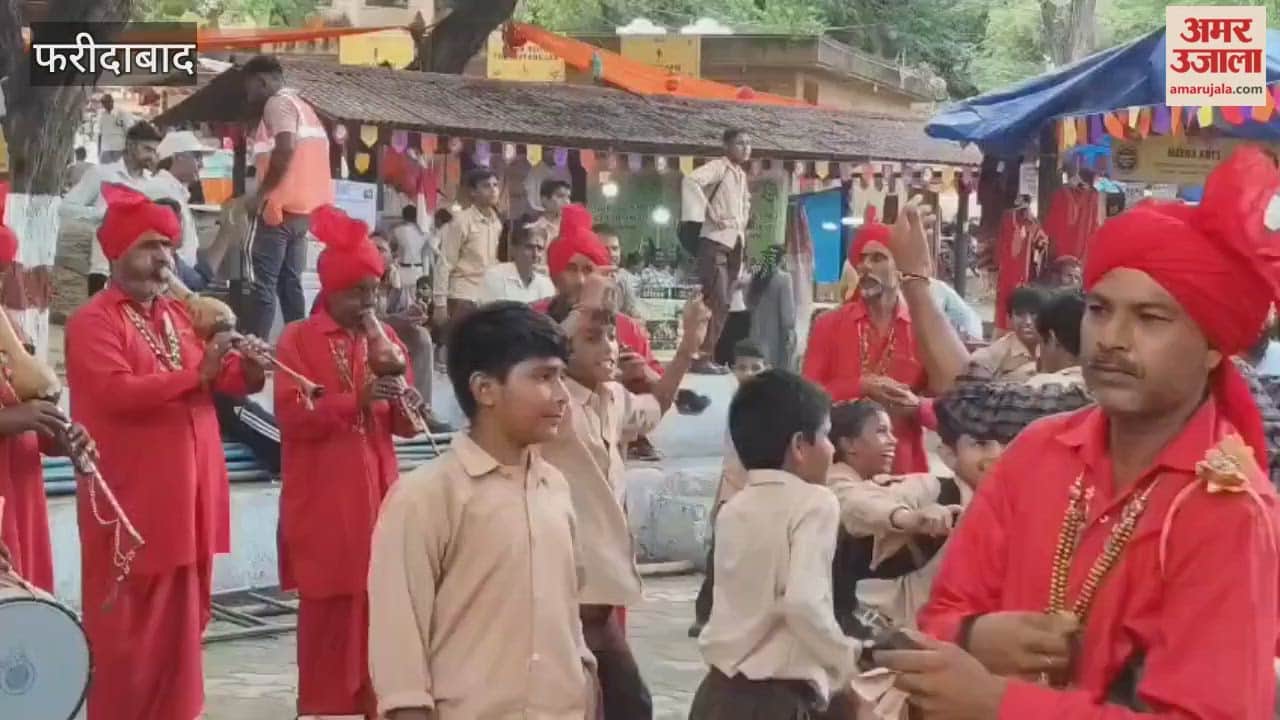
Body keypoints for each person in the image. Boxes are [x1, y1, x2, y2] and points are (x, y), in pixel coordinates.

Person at [882, 146, 1280, 718]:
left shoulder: (1230, 512)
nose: (1113, 338)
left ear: (1214, 345)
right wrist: (973, 636)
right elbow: (942, 613)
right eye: (1099, 309)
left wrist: (999, 702)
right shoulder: (1039, 452)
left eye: (1150, 318)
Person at [65, 184, 269, 720]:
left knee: (183, 640)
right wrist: (195, 375)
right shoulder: (94, 321)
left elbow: (224, 379)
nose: (163, 258)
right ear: (116, 253)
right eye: (150, 245)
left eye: (168, 247)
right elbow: (115, 393)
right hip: (133, 510)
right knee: (128, 643)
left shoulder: (180, 316)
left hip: (190, 503)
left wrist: (249, 366)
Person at [368, 302, 595, 720]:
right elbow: (398, 644)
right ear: (485, 389)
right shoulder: (426, 497)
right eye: (543, 377)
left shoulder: (555, 488)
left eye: (562, 377)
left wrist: (586, 684)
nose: (562, 396)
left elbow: (568, 616)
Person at [543, 251, 711, 720]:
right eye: (594, 339)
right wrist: (582, 310)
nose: (611, 347)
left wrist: (686, 348)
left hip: (601, 591)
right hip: (562, 587)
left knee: (629, 704)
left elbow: (655, 407)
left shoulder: (612, 396)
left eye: (612, 335)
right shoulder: (548, 406)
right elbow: (536, 348)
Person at [273, 204, 422, 718]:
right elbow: (290, 417)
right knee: (330, 613)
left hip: (380, 498)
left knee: (384, 609)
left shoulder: (385, 339)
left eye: (375, 290)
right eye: (359, 291)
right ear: (331, 290)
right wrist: (355, 399)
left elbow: (404, 426)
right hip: (323, 504)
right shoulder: (296, 340)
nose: (370, 301)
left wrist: (403, 401)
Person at [691, 369, 860, 720]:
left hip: (716, 694)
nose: (831, 449)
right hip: (777, 701)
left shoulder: (733, 508)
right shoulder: (815, 502)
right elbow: (802, 603)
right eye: (826, 436)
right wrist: (845, 658)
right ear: (800, 446)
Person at [804, 201, 970, 474]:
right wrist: (862, 386)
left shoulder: (923, 328)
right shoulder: (828, 324)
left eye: (878, 258)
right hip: (839, 469)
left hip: (904, 470)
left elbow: (955, 405)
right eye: (862, 259)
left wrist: (918, 407)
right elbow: (808, 399)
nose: (866, 267)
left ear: (900, 266)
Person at [0, 211, 93, 592]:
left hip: (19, 493)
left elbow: (30, 411)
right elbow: (15, 415)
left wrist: (58, 435)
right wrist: (13, 419)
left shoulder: (11, 331)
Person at [241, 54, 334, 340]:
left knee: (262, 284)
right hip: (305, 212)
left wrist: (262, 193)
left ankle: (255, 349)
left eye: (249, 88)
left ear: (262, 81)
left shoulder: (277, 103)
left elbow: (285, 148)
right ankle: (301, 346)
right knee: (289, 282)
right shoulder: (304, 107)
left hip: (277, 208)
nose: (249, 95)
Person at [691, 339, 768, 638]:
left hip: (756, 490)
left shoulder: (767, 409)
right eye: (742, 368)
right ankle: (705, 614)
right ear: (731, 370)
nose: (748, 373)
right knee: (719, 556)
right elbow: (729, 459)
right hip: (731, 490)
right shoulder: (732, 403)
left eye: (755, 368)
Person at [682, 128, 753, 374]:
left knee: (725, 303)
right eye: (740, 143)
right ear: (727, 146)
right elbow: (691, 180)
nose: (745, 148)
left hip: (735, 243)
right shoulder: (719, 167)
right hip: (714, 241)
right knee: (717, 298)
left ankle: (705, 356)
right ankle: (700, 356)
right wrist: (709, 213)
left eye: (748, 143)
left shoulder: (741, 175)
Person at [62, 120, 160, 296]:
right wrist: (103, 216)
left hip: (140, 268)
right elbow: (66, 207)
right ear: (130, 146)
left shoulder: (153, 184)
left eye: (154, 151)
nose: (151, 157)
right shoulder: (102, 174)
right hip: (102, 266)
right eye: (147, 149)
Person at [368, 232, 452, 433]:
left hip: (389, 338)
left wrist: (415, 315)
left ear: (394, 258)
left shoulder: (397, 284)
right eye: (370, 247)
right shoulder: (359, 278)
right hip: (364, 337)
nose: (374, 253)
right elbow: (358, 320)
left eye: (380, 249)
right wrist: (395, 321)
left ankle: (421, 408)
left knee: (421, 336)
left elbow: (403, 317)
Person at [433, 168, 503, 337]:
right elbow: (444, 262)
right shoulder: (461, 221)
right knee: (462, 352)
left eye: (495, 185)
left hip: (488, 296)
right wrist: (440, 304)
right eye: (486, 186)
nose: (493, 190)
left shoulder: (497, 223)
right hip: (463, 296)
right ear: (473, 192)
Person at [148, 130, 217, 289]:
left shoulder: (173, 190)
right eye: (196, 157)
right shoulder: (161, 190)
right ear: (178, 156)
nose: (201, 165)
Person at [969, 285, 1046, 382]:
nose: (1028, 322)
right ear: (1009, 319)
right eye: (1020, 315)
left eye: (1033, 314)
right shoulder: (997, 352)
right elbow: (976, 363)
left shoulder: (1055, 348)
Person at [479, 219, 554, 304]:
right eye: (529, 247)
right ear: (514, 249)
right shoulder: (495, 276)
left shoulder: (546, 284)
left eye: (540, 248)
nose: (535, 254)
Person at [746, 245, 796, 371]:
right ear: (782, 259)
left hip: (756, 331)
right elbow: (787, 310)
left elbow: (748, 302)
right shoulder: (784, 278)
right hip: (776, 332)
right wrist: (790, 329)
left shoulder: (756, 277)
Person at [390, 205, 433, 308]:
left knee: (401, 303)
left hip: (402, 270)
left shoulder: (397, 230)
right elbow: (426, 254)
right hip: (419, 270)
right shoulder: (425, 232)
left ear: (403, 217)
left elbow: (392, 248)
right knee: (418, 302)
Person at [597, 224, 642, 317]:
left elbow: (633, 313)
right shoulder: (584, 278)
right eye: (604, 249)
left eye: (615, 248)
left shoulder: (622, 279)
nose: (611, 254)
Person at [527, 179, 572, 265]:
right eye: (560, 196)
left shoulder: (572, 228)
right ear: (545, 200)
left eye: (568, 197)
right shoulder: (533, 229)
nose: (566, 201)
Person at [96, 93, 134, 164]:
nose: (105, 104)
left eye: (107, 102)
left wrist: (128, 148)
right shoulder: (102, 116)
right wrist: (98, 150)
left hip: (118, 148)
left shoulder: (121, 113)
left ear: (112, 101)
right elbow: (100, 134)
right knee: (103, 171)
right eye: (103, 103)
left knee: (117, 171)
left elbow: (128, 131)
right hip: (105, 148)